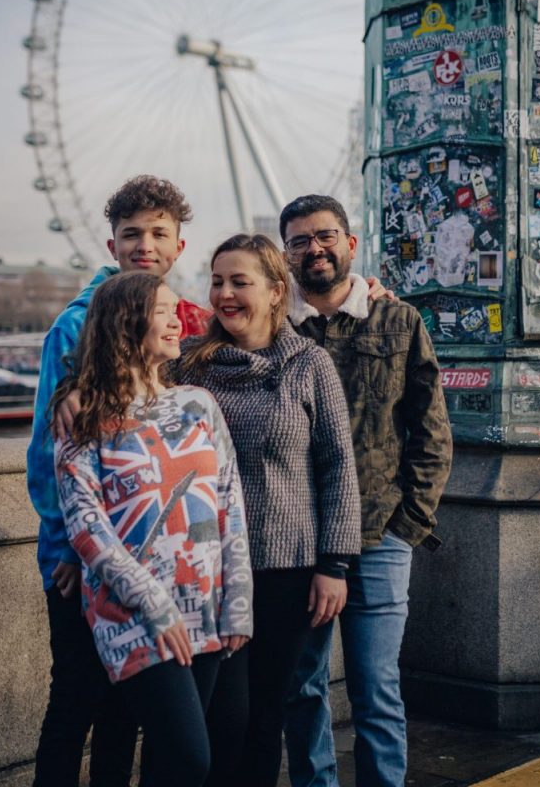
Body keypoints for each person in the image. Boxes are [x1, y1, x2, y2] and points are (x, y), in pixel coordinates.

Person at [27, 175, 209, 787]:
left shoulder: (184, 323)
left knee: (126, 714)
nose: (145, 246)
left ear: (180, 246)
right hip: (80, 559)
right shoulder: (74, 328)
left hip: (154, 561)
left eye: (159, 234)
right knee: (75, 705)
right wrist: (74, 550)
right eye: (132, 235)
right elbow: (46, 459)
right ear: (112, 246)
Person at [174, 233, 362, 787]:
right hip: (207, 571)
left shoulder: (310, 365)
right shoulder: (188, 365)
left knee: (265, 717)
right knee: (216, 720)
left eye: (240, 282)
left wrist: (334, 565)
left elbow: (337, 466)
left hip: (285, 569)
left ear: (277, 291)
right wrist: (70, 393)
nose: (224, 294)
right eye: (216, 281)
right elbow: (116, 380)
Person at [279, 194, 454, 787]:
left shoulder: (399, 321)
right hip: (297, 539)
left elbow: (432, 432)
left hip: (380, 536)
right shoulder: (272, 333)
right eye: (299, 240)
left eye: (325, 236)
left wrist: (411, 525)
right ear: (285, 255)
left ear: (351, 244)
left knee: (376, 688)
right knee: (301, 687)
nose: (314, 249)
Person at [53, 272, 252, 786]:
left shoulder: (198, 404)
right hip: (134, 613)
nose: (175, 318)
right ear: (125, 322)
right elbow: (86, 527)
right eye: (162, 309)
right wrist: (155, 606)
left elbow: (229, 505)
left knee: (174, 764)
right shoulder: (85, 418)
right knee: (189, 758)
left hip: (205, 603)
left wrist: (238, 602)